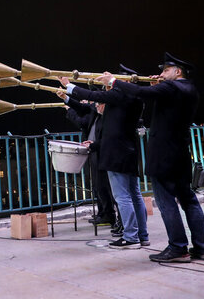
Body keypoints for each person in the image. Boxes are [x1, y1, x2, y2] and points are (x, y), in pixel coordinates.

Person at [96, 52, 204, 263]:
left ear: (177, 72)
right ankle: (203, 248)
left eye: (165, 70)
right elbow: (161, 100)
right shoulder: (190, 90)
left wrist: (113, 81)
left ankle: (178, 248)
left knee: (167, 201)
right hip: (181, 154)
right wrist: (155, 87)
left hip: (163, 155)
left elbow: (139, 91)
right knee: (189, 201)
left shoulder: (170, 87)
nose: (161, 73)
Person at [59, 67, 149, 250]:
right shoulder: (135, 99)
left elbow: (93, 96)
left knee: (122, 196)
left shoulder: (121, 96)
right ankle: (142, 235)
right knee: (135, 195)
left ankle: (131, 237)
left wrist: (70, 86)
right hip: (129, 152)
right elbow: (90, 107)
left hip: (116, 154)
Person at [57, 91, 118, 227]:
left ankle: (110, 215)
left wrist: (70, 110)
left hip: (100, 152)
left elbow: (82, 122)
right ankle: (104, 213)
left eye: (98, 103)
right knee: (98, 185)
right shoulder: (95, 111)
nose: (95, 105)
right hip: (94, 150)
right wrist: (69, 101)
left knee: (104, 186)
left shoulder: (103, 115)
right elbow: (83, 113)